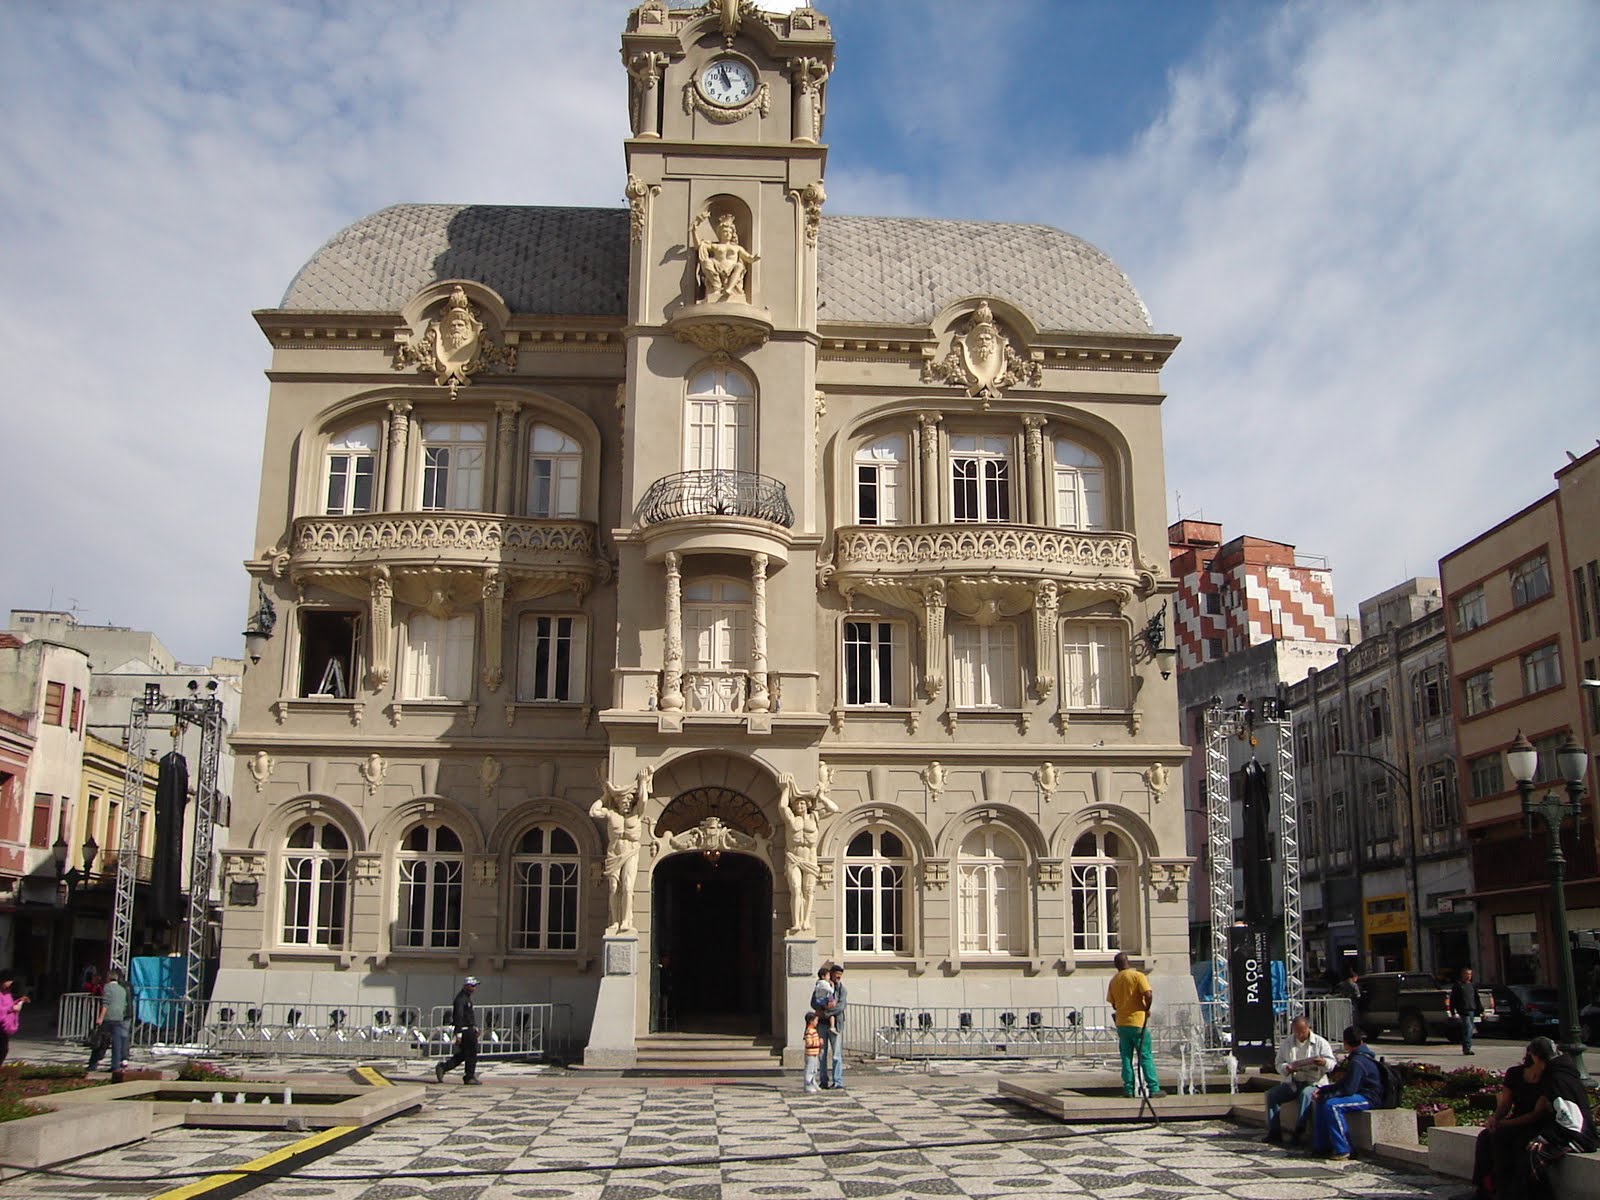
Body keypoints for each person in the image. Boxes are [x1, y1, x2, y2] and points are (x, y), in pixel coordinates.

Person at [1452, 1051, 1544, 1200]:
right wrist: (1495, 1119)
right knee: (1486, 1137)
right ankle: (1484, 1188)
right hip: (1515, 1120)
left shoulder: (1547, 1077)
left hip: (1535, 1125)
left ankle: (1508, 1191)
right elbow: (1505, 1104)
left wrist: (1505, 1124)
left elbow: (1536, 1114)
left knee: (1513, 1142)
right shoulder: (1515, 1074)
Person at [1521, 1036, 1597, 1199]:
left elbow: (1570, 1119)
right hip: (1574, 1131)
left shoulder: (1557, 1079)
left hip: (1579, 1137)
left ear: (1536, 1057)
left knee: (1534, 1152)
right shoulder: (1562, 1072)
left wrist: (1547, 1137)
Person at [1310, 1024, 1382, 1161]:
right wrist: (1324, 1091)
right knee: (1322, 1101)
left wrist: (1329, 1094)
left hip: (1369, 1097)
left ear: (1345, 1043)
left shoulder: (1358, 1061)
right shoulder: (1358, 1058)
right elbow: (1343, 1084)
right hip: (1361, 1094)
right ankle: (1322, 1146)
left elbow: (1349, 1089)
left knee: (1332, 1105)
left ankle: (1344, 1149)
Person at [1264, 1014, 1335, 1145]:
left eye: (1302, 1032)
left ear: (1308, 1028)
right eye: (1296, 1032)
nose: (1299, 1035)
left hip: (1314, 1082)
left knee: (1306, 1094)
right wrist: (1287, 1068)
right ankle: (1274, 1132)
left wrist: (1324, 1062)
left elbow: (1332, 1064)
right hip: (1294, 1081)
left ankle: (1299, 1129)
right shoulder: (1287, 1043)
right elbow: (1278, 1064)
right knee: (1271, 1095)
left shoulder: (1321, 1043)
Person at [1107, 951, 1161, 1098]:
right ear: (1128, 962)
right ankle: (1154, 1088)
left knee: (1126, 1057)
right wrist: (1146, 1008)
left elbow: (1114, 1004)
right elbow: (1148, 994)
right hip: (1138, 1022)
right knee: (1145, 1055)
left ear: (1116, 965)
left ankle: (1128, 1089)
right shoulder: (1138, 976)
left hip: (1122, 1023)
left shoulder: (1114, 981)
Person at [434, 976, 481, 1085]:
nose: (474, 988)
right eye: (472, 986)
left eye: (475, 986)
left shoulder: (467, 998)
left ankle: (443, 1067)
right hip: (465, 1031)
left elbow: (469, 1016)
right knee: (471, 1054)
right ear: (466, 986)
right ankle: (469, 1077)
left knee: (465, 1054)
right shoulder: (460, 999)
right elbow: (458, 1017)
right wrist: (459, 1034)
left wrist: (475, 1027)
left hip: (469, 1029)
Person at [87, 967, 130, 1076]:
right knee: (117, 1044)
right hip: (119, 1018)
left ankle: (93, 1064)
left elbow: (105, 1004)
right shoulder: (122, 989)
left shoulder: (108, 987)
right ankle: (115, 1066)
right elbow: (125, 1005)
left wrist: (100, 1017)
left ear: (108, 978)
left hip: (108, 1017)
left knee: (101, 1041)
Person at [812, 964, 846, 1090]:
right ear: (830, 974)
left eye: (840, 975)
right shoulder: (822, 985)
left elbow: (840, 1007)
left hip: (835, 1025)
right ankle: (823, 1081)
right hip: (822, 1024)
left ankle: (837, 1081)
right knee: (822, 1054)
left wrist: (825, 1013)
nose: (839, 977)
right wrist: (821, 1008)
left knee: (836, 1054)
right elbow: (813, 1002)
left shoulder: (842, 990)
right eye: (837, 974)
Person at [1452, 967, 1483, 1056]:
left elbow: (1476, 998)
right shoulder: (1458, 985)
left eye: (1470, 974)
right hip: (1463, 1010)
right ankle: (1467, 1048)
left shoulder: (1472, 985)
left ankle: (1467, 1047)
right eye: (1467, 974)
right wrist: (1453, 1011)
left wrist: (1481, 1010)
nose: (1469, 976)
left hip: (1471, 1009)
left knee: (1469, 1029)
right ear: (1462, 974)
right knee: (1468, 1028)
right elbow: (1453, 999)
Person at [0, 974, 28, 1066]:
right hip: (1, 1024)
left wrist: (19, 1001)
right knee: (2, 1049)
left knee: (4, 1049)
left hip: (4, 1026)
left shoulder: (7, 993)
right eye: (8, 981)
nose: (10, 984)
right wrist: (12, 1008)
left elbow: (9, 1005)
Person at [802, 1012, 823, 1094]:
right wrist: (818, 1042)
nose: (817, 1022)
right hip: (810, 1054)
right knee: (810, 1070)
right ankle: (808, 1084)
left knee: (814, 1069)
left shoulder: (814, 1030)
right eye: (816, 1020)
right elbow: (809, 1042)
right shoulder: (809, 1031)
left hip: (815, 1053)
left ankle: (813, 1082)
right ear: (811, 1021)